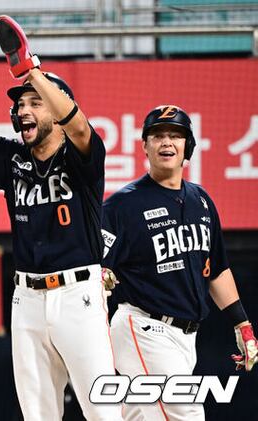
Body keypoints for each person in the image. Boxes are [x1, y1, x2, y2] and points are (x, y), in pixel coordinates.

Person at [0, 14, 122, 421]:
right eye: (19, 104)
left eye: (34, 102)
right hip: (26, 299)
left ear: (57, 111)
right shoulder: (11, 158)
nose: (23, 110)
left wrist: (30, 70)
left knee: (103, 412)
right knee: (37, 414)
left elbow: (79, 127)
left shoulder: (82, 157)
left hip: (78, 297)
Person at [102, 105, 258, 420]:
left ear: (189, 146)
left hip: (185, 338)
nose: (167, 142)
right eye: (157, 135)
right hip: (143, 328)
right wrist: (101, 274)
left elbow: (216, 269)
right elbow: (92, 266)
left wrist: (242, 324)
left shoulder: (201, 200)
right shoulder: (122, 205)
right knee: (186, 414)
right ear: (144, 146)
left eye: (175, 135)